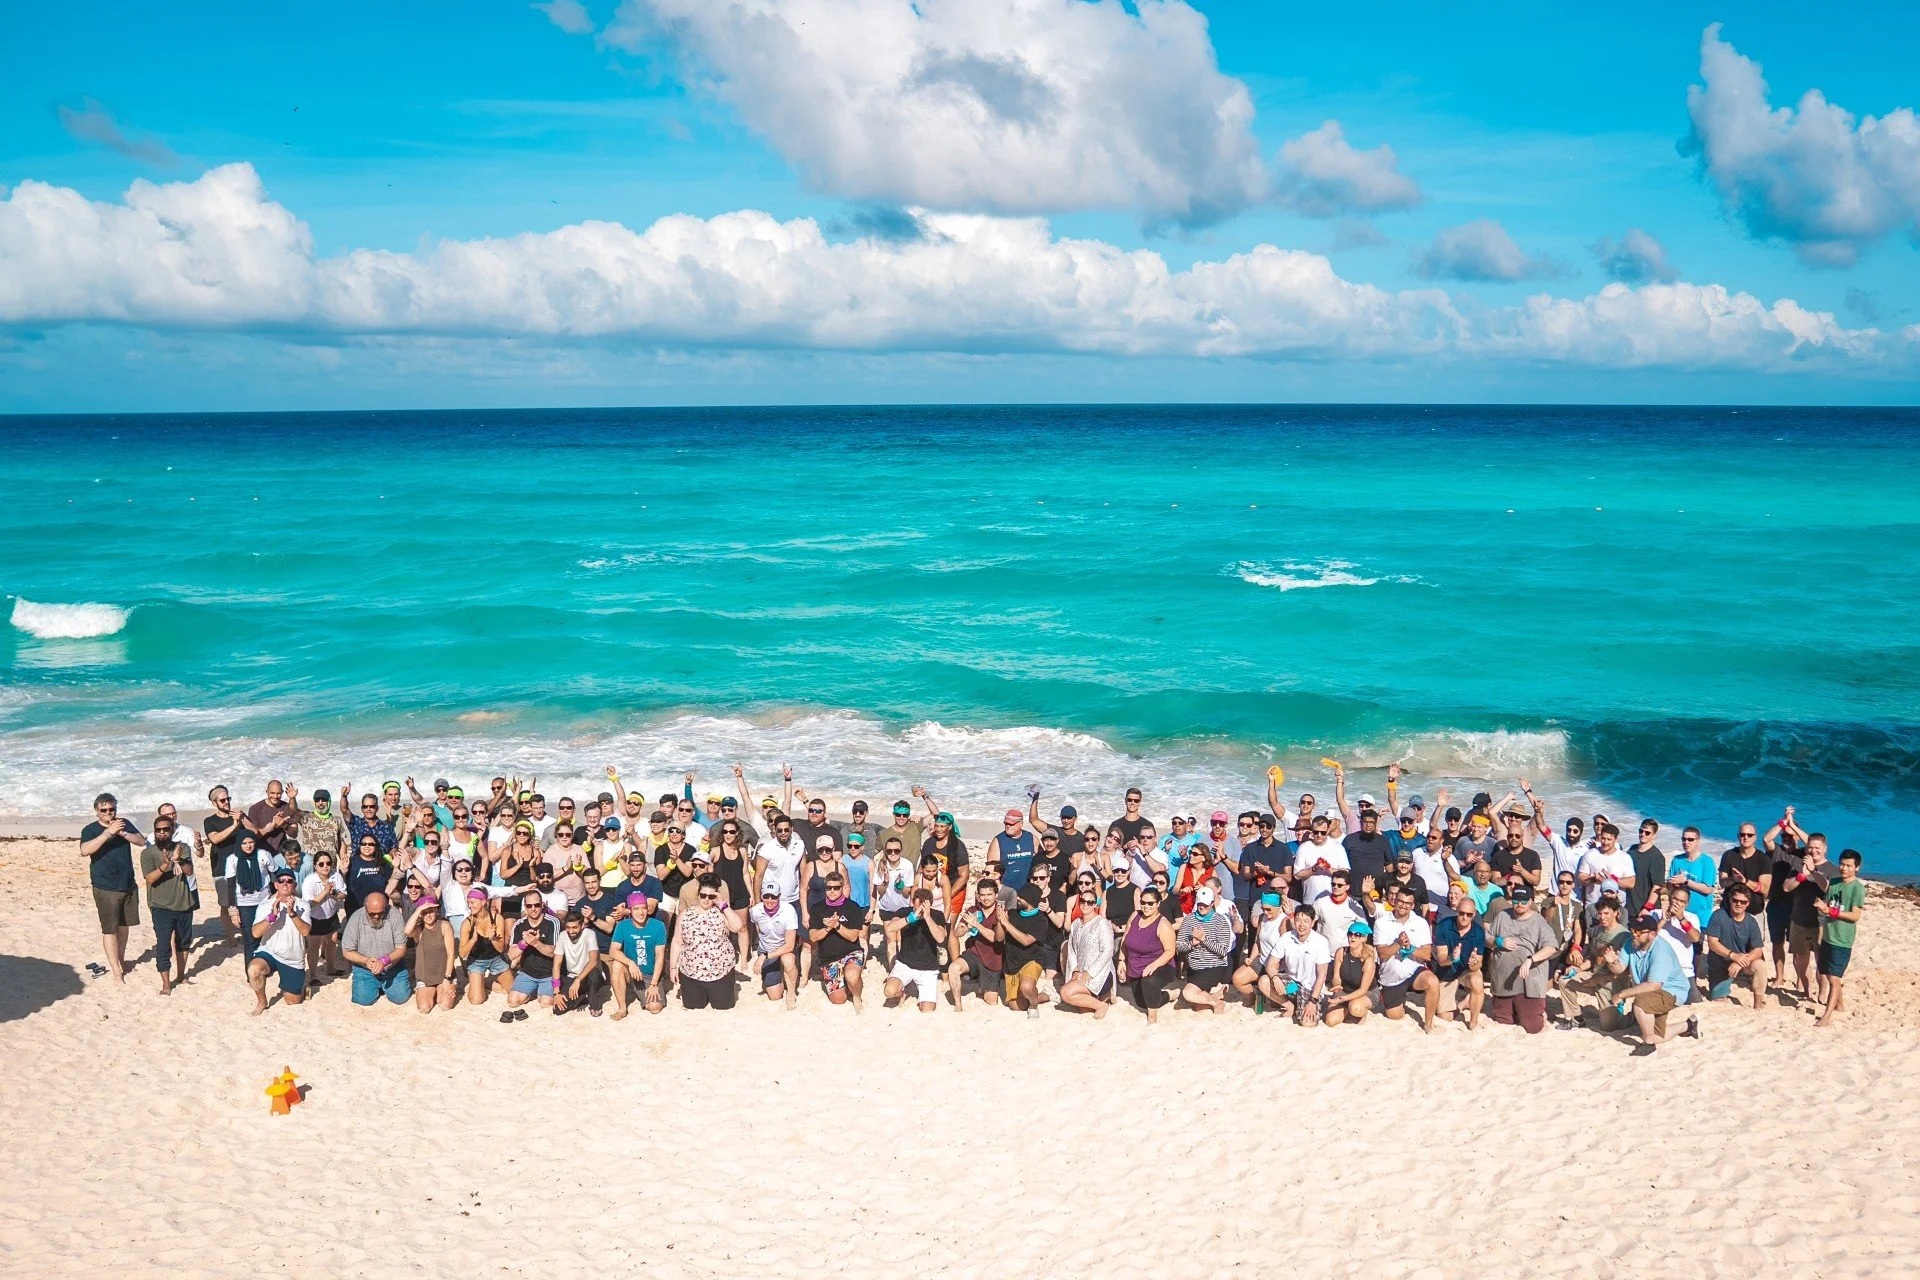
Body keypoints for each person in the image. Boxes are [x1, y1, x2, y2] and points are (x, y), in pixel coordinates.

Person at [1607, 911, 1699, 1054]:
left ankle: (1649, 1045)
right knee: (1654, 1035)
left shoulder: (1661, 950)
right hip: (1652, 990)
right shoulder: (1630, 943)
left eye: (1638, 931)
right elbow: (1619, 968)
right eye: (1632, 930)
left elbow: (1654, 985)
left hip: (1672, 991)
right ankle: (1688, 1025)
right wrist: (1612, 961)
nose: (1634, 934)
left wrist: (1622, 994)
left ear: (1652, 934)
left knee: (1641, 1003)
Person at [81, 792, 146, 982]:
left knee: (124, 926)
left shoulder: (123, 823)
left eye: (112, 809)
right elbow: (85, 850)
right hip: (105, 886)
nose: (109, 813)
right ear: (97, 812)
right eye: (104, 810)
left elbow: (142, 841)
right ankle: (116, 970)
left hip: (127, 884)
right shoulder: (90, 830)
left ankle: (121, 959)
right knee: (110, 929)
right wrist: (108, 833)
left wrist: (122, 832)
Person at [1484, 884, 1558, 1034]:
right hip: (1503, 982)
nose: (1519, 904)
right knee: (1503, 1021)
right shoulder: (1502, 916)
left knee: (1533, 1026)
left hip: (1528, 982)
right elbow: (1487, 937)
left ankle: (1537, 1010)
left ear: (1530, 902)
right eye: (1516, 900)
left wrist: (1531, 959)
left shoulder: (1538, 921)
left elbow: (1551, 947)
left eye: (1524, 901)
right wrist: (1498, 942)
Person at [139, 811, 195, 994]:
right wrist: (165, 865)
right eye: (158, 830)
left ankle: (180, 975)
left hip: (183, 903)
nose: (162, 833)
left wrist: (178, 859)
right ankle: (165, 984)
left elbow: (188, 871)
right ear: (154, 832)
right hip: (160, 906)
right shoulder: (148, 853)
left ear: (172, 830)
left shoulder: (183, 847)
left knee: (184, 942)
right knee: (163, 944)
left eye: (165, 829)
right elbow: (149, 879)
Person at [673, 873, 746, 1011]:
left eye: (711, 896)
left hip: (720, 970)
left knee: (723, 1005)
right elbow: (677, 942)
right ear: (698, 894)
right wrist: (672, 968)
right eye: (703, 895)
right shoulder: (685, 915)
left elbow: (739, 927)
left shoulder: (722, 913)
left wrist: (724, 905)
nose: (706, 899)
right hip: (691, 971)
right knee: (694, 1005)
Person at [1374, 886, 1441, 1032]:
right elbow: (1382, 954)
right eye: (1400, 901)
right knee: (1395, 1016)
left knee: (1433, 981)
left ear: (1413, 905)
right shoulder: (1382, 922)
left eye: (1408, 903)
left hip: (1414, 971)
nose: (1403, 906)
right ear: (1394, 901)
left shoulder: (1420, 923)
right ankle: (1399, 1001)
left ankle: (1428, 1023)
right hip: (1391, 976)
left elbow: (1427, 954)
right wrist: (1398, 944)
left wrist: (1410, 948)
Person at [247, 869, 311, 1014]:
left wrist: (293, 913)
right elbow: (255, 933)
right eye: (281, 881)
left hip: (292, 958)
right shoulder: (265, 905)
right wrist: (271, 916)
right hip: (269, 952)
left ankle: (298, 985)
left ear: (294, 885)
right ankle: (262, 1002)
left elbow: (305, 931)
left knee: (292, 1001)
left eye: (289, 881)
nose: (285, 884)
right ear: (276, 885)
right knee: (254, 970)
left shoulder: (303, 905)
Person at [1817, 849, 1866, 1028]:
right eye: (1842, 864)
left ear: (1857, 868)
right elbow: (1828, 903)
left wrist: (1830, 911)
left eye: (1849, 866)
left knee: (1834, 978)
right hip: (1828, 936)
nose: (1844, 868)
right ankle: (1840, 1005)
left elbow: (1855, 916)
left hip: (1842, 940)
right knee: (1828, 975)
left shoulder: (1857, 889)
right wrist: (1823, 907)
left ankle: (1826, 1016)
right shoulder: (1835, 882)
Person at [1260, 904, 1332, 1024]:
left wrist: (1313, 1001)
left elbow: (1322, 976)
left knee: (1307, 1023)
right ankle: (1289, 1006)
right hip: (1292, 986)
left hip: (1310, 989)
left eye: (1306, 921)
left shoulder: (1320, 942)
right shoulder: (1287, 938)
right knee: (1264, 981)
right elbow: (1271, 964)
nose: (1301, 925)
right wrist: (1275, 978)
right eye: (1298, 920)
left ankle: (1307, 1005)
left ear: (1312, 923)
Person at [884, 888, 950, 1013]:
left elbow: (941, 937)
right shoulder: (904, 912)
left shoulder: (937, 915)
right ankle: (903, 991)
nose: (918, 909)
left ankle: (917, 989)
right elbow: (890, 928)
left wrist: (927, 917)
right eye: (916, 905)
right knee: (889, 991)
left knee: (927, 1010)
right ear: (912, 902)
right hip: (905, 964)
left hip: (928, 969)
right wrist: (911, 918)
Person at [1118, 886, 1178, 1023]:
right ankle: (1168, 995)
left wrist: (1153, 965)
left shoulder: (1163, 924)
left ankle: (1152, 1017)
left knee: (1148, 981)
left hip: (1161, 965)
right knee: (1141, 1002)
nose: (1146, 906)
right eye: (1143, 902)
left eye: (1150, 903)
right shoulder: (1135, 915)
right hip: (1136, 964)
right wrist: (1122, 960)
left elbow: (1170, 951)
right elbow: (1125, 939)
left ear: (1158, 903)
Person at [341, 890, 411, 1007]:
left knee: (401, 998)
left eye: (381, 912)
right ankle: (376, 985)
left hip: (392, 967)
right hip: (365, 969)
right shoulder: (356, 918)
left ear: (386, 906)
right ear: (365, 908)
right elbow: (347, 951)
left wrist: (384, 961)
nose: (377, 916)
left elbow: (401, 948)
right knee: (363, 1000)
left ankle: (382, 986)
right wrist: (366, 960)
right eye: (372, 913)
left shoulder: (395, 915)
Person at [1056, 878, 1115, 1018]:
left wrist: (1090, 973)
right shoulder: (1076, 923)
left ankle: (1102, 1005)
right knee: (1083, 1009)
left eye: (1090, 902)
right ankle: (1103, 997)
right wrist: (1075, 969)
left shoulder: (1102, 923)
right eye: (1083, 901)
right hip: (1081, 971)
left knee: (1065, 993)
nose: (1086, 904)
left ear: (1095, 904)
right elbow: (1072, 949)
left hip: (1100, 973)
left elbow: (1107, 951)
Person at [1704, 885, 1768, 1010]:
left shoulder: (1751, 922)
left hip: (1742, 963)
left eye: (1743, 902)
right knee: (1718, 1000)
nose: (1739, 904)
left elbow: (1758, 950)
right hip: (1721, 964)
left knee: (1760, 965)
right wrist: (1732, 955)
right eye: (1735, 900)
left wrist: (1740, 962)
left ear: (1748, 903)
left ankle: (1758, 1005)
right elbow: (1712, 942)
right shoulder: (1718, 916)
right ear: (1729, 900)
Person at [1175, 885, 1235, 1013]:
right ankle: (1217, 995)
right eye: (1199, 904)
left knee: (1188, 993)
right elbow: (1179, 945)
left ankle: (1217, 1003)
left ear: (1212, 903)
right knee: (1198, 1008)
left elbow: (1223, 950)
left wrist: (1204, 940)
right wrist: (1192, 943)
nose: (1202, 907)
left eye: (1205, 904)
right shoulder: (1189, 920)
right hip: (1194, 967)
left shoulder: (1220, 921)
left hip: (1214, 966)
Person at [1431, 896, 1487, 1030]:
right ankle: (1464, 1004)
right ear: (1456, 911)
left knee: (1477, 981)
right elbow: (1441, 959)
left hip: (1466, 970)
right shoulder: (1444, 925)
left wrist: (1474, 963)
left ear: (1473, 915)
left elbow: (1478, 963)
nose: (1464, 917)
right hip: (1447, 971)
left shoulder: (1478, 932)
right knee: (1444, 1016)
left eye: (1468, 915)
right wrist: (1452, 958)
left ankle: (1473, 1022)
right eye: (1461, 913)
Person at [609, 892, 668, 1017]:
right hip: (631, 971)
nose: (640, 912)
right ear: (630, 910)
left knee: (654, 1008)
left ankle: (639, 990)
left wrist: (653, 984)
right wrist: (630, 963)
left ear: (647, 909)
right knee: (617, 964)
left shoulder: (658, 926)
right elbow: (613, 951)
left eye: (643, 908)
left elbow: (660, 956)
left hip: (649, 975)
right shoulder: (622, 925)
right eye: (636, 908)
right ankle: (622, 1008)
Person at [949, 879, 1004, 1012]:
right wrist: (966, 927)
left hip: (993, 959)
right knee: (953, 968)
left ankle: (981, 982)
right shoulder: (973, 910)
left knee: (991, 1001)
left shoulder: (1001, 912)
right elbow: (957, 933)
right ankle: (958, 1004)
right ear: (978, 896)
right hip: (974, 954)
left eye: (989, 894)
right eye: (982, 895)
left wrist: (976, 925)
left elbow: (994, 938)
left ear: (996, 895)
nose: (986, 898)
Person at [226, 830, 279, 966]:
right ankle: (251, 972)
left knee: (266, 935)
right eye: (244, 843)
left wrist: (277, 893)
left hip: (264, 901)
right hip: (244, 905)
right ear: (239, 844)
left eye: (251, 842)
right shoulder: (232, 859)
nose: (248, 846)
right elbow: (231, 886)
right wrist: (233, 911)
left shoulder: (263, 854)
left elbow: (275, 874)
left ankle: (265, 966)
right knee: (250, 939)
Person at [505, 891, 561, 1012]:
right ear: (525, 907)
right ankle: (531, 991)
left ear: (542, 905)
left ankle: (541, 992)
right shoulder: (519, 925)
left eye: (536, 905)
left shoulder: (553, 922)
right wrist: (524, 943)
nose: (533, 909)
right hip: (527, 973)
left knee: (546, 1003)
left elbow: (554, 952)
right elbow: (511, 955)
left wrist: (536, 943)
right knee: (513, 1001)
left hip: (548, 974)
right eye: (529, 906)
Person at [748, 883, 801, 1007]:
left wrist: (764, 956)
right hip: (766, 948)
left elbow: (789, 946)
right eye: (766, 896)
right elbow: (757, 929)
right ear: (761, 896)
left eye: (773, 897)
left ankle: (791, 993)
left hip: (784, 948)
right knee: (775, 996)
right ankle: (778, 977)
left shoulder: (788, 911)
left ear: (779, 897)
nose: (770, 900)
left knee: (787, 960)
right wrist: (762, 952)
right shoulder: (756, 911)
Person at [203, 785, 244, 944]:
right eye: (222, 800)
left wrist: (242, 820)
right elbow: (215, 839)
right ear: (214, 803)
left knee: (243, 901)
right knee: (226, 904)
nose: (227, 802)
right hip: (221, 867)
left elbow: (254, 833)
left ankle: (246, 933)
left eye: (228, 798)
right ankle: (231, 937)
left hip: (241, 865)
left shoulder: (238, 816)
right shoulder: (210, 821)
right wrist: (234, 825)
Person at [300, 851, 348, 980]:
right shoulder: (309, 881)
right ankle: (313, 975)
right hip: (314, 918)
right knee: (314, 947)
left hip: (331, 915)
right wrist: (325, 892)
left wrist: (334, 894)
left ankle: (331, 969)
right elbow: (309, 904)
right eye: (321, 864)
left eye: (328, 863)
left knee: (331, 942)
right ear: (315, 866)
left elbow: (343, 894)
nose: (325, 866)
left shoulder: (336, 876)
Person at [406, 896, 459, 1013]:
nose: (428, 915)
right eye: (425, 912)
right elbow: (407, 931)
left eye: (431, 911)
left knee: (445, 1005)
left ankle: (443, 988)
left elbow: (451, 954)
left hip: (444, 975)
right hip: (425, 977)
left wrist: (446, 979)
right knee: (424, 1008)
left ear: (436, 911)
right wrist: (419, 910)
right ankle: (431, 991)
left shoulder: (444, 926)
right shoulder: (418, 930)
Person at [458, 889, 511, 1005]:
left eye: (472, 902)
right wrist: (473, 940)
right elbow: (462, 953)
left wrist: (492, 939)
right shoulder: (467, 923)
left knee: (511, 990)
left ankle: (484, 983)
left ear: (483, 902)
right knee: (476, 1000)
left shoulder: (497, 918)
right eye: (468, 903)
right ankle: (477, 983)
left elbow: (501, 949)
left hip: (496, 958)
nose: (469, 906)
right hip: (477, 961)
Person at [552, 909, 605, 1016]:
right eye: (568, 927)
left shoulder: (589, 934)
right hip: (572, 977)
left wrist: (578, 980)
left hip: (590, 975)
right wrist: (556, 992)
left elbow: (593, 961)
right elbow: (556, 964)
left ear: (582, 926)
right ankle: (584, 997)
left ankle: (594, 1005)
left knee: (593, 975)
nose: (571, 931)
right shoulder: (562, 936)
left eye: (574, 927)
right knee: (558, 1009)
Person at [1323, 922, 1376, 1027]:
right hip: (1345, 990)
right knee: (1330, 1021)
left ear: (1364, 939)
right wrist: (1337, 985)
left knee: (1356, 1008)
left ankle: (1362, 1011)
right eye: (1350, 934)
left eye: (1357, 935)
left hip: (1366, 993)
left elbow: (1363, 990)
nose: (1352, 937)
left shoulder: (1368, 960)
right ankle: (1348, 1008)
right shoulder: (1341, 952)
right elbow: (1336, 977)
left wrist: (1343, 999)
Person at [1624, 819, 1666, 917]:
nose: (1643, 834)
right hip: (1628, 905)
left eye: (1647, 833)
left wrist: (1647, 908)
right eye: (1641, 831)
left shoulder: (1657, 857)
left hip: (1645, 910)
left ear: (1654, 835)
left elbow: (1657, 886)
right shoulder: (1632, 850)